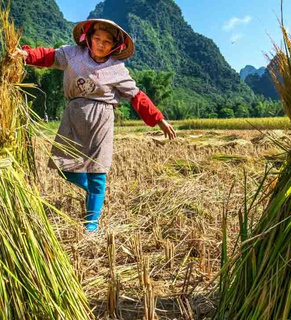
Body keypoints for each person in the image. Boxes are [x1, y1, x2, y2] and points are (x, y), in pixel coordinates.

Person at [12, 19, 177, 232]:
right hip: (73, 117)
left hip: (101, 120)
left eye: (107, 42)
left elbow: (137, 96)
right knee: (65, 168)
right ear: (88, 38)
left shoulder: (117, 69)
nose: (101, 44)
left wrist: (158, 119)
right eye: (97, 38)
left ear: (115, 46)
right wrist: (27, 55)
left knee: (97, 171)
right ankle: (94, 194)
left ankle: (91, 222)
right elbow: (48, 55)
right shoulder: (71, 54)